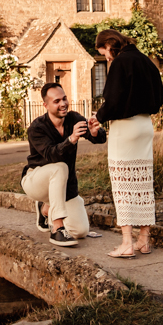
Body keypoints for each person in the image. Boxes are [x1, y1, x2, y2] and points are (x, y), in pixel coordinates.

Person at [91, 29, 163, 258]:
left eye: (103, 52)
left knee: (122, 182)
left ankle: (126, 243)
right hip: (145, 126)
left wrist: (98, 117)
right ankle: (143, 239)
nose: (106, 57)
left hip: (125, 128)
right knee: (143, 182)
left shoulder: (120, 63)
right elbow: (161, 95)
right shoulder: (145, 60)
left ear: (109, 45)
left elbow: (113, 100)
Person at [21, 82, 106, 247]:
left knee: (80, 231)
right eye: (57, 101)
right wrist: (71, 139)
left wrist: (96, 132)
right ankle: (57, 229)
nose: (63, 104)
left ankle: (45, 210)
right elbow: (52, 154)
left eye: (64, 99)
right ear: (45, 105)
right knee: (60, 166)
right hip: (35, 180)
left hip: (64, 185)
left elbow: (99, 138)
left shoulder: (73, 119)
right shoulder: (37, 128)